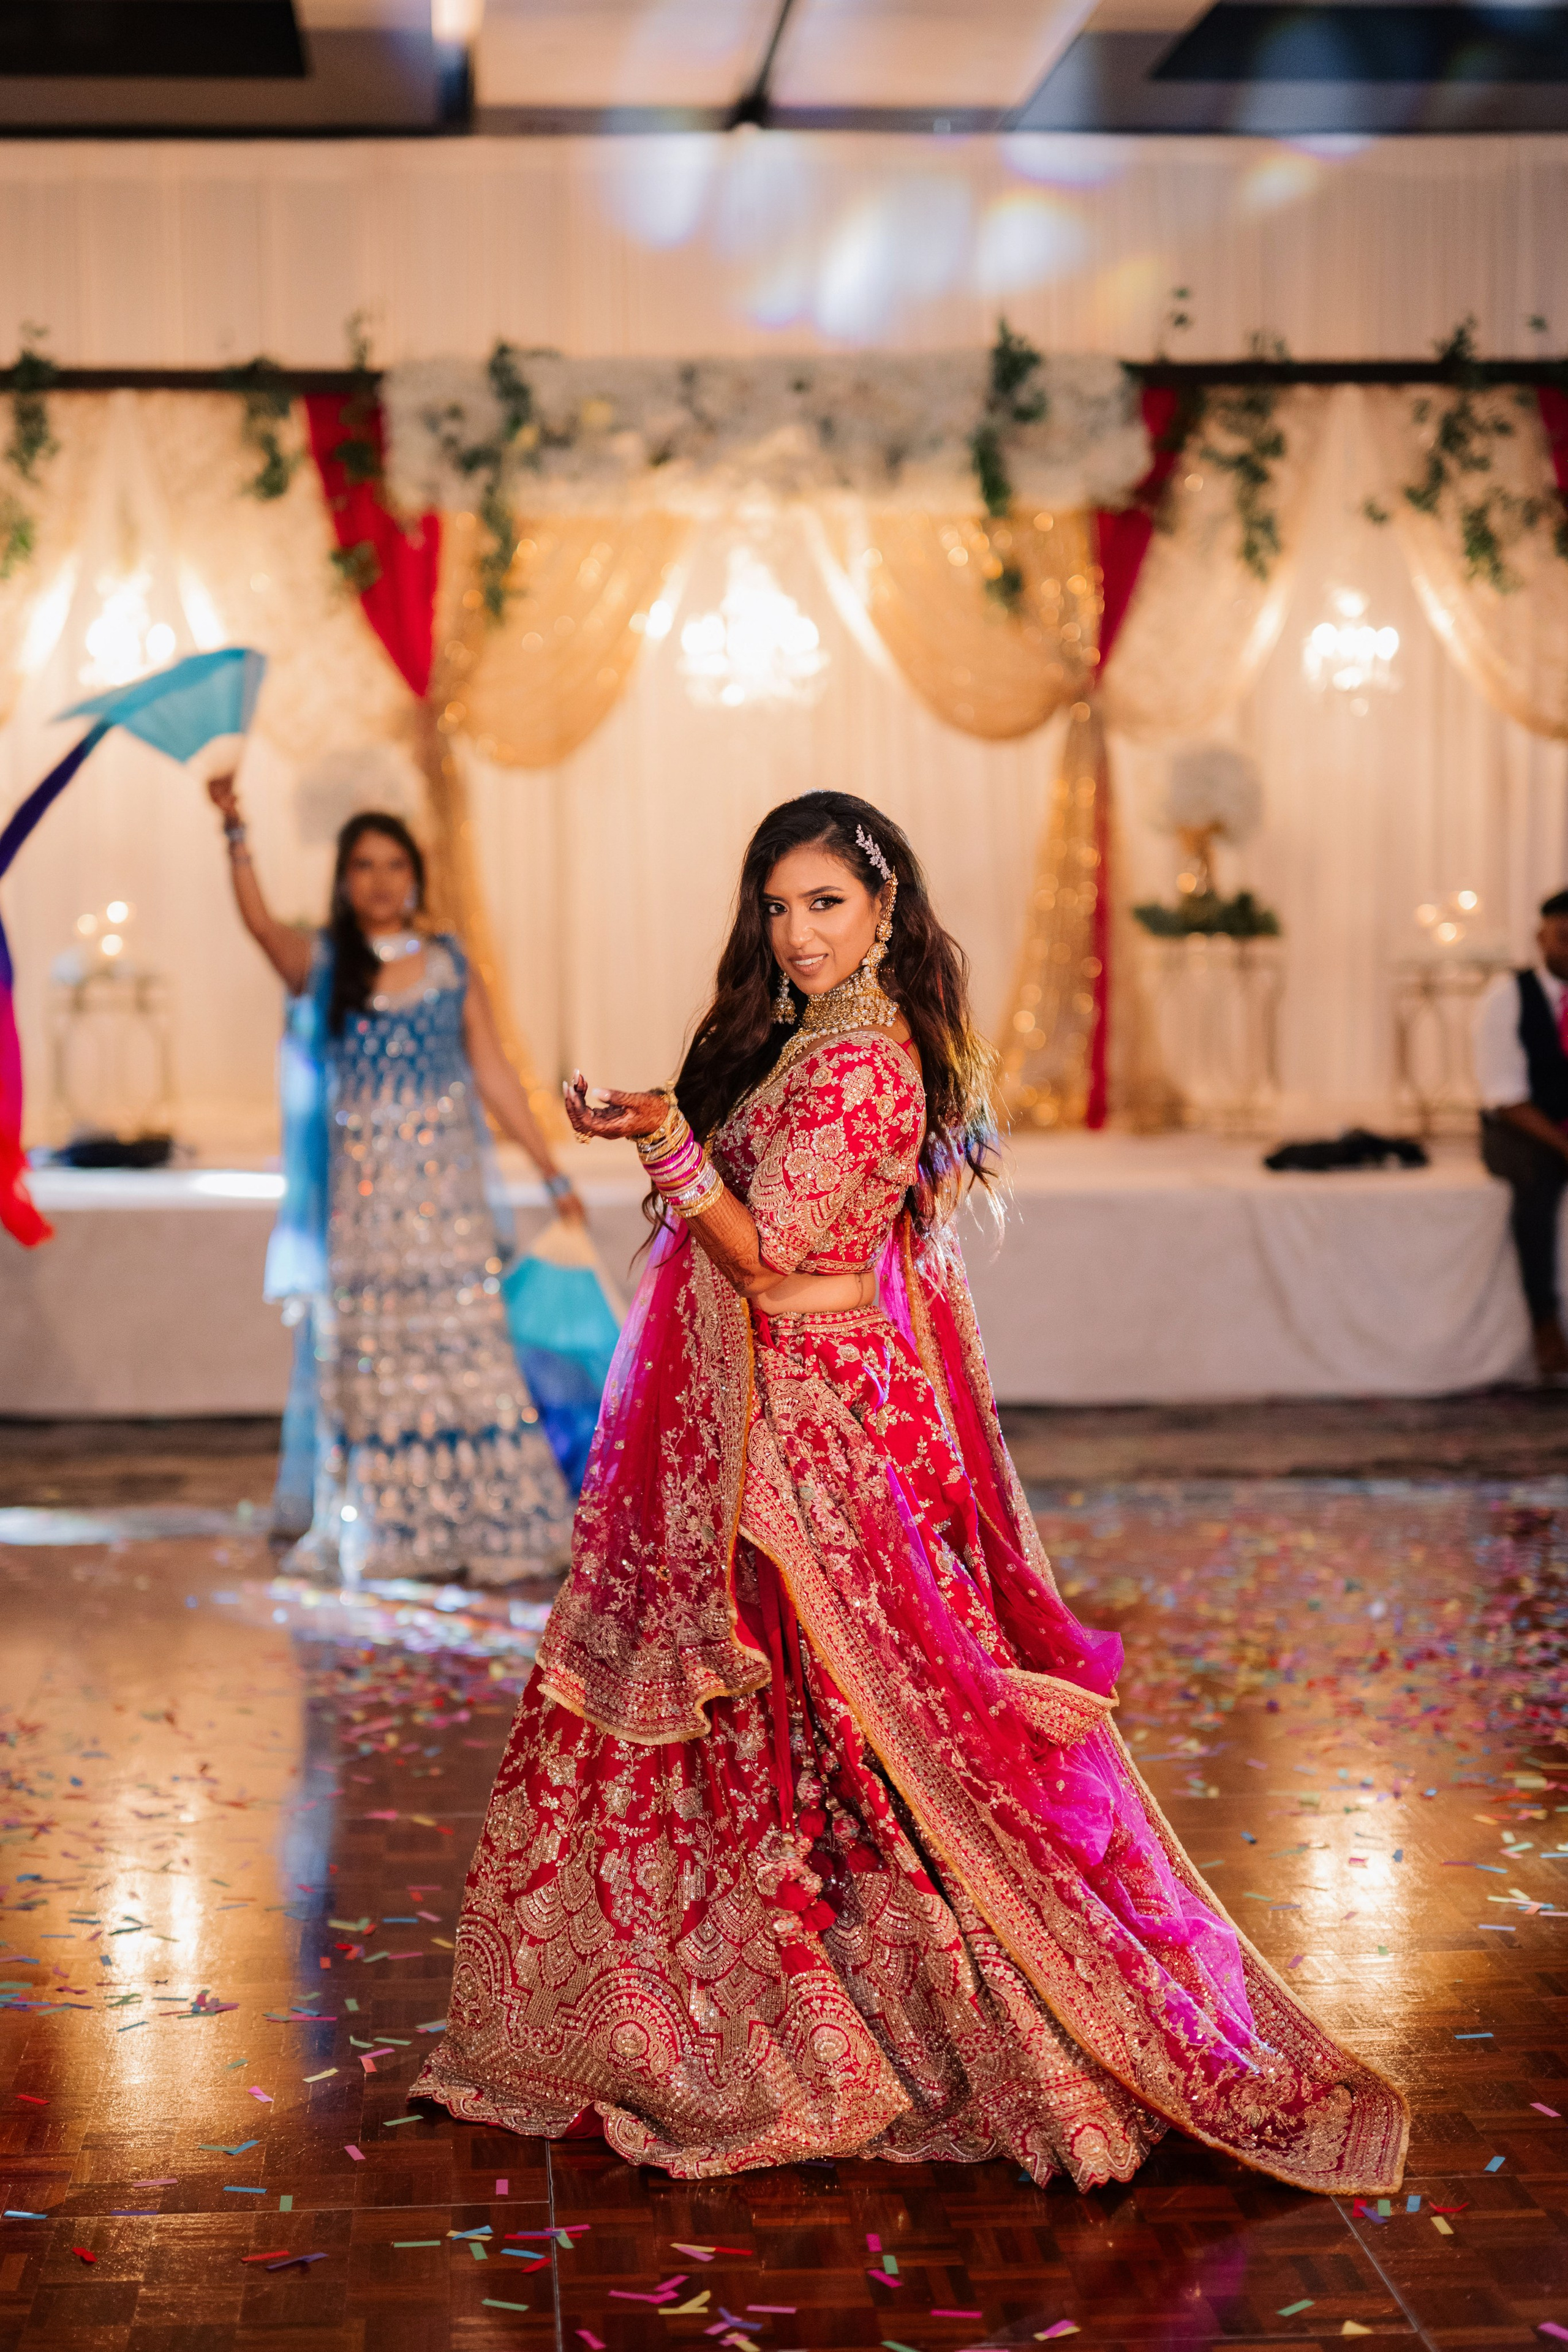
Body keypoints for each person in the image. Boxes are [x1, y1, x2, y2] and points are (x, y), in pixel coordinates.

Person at [411, 790, 1407, 2193]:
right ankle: (713, 1997)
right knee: (779, 1736)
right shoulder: (803, 1037)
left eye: (824, 903)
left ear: (884, 909)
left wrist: (663, 1139)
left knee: (860, 1740)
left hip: (809, 1436)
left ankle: (885, 2014)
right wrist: (655, 1117)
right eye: (777, 906)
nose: (796, 932)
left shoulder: (870, 1064)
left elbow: (766, 1254)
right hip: (762, 1419)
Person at [208, 774, 576, 1584]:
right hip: (360, 1212)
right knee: (370, 1363)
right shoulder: (325, 963)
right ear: (344, 880)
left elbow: (492, 1071)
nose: (380, 880)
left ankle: (486, 1524)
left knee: (468, 1358)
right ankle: (384, 1529)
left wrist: (551, 1169)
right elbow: (261, 926)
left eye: (395, 865)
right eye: (364, 866)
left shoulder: (448, 962)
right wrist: (237, 835)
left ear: (416, 875)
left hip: (445, 1205)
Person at [1474, 888, 1568, 1382]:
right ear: (1542, 938)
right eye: (1565, 937)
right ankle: (1544, 1322)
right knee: (1536, 1179)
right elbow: (1506, 1097)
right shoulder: (1506, 997)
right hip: (1519, 1128)